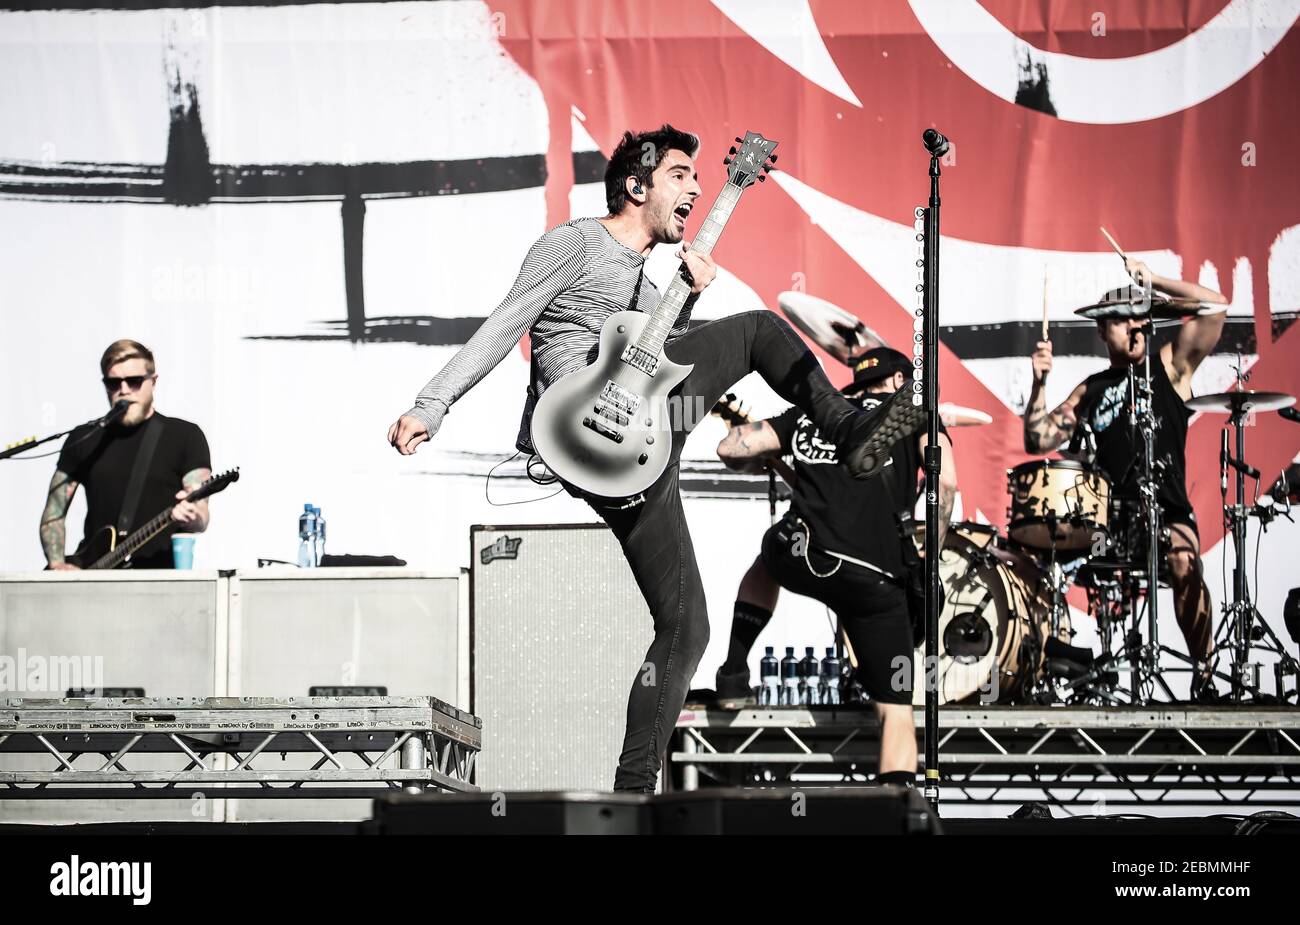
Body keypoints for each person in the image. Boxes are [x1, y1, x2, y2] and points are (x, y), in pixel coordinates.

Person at [388, 125, 926, 792]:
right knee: (759, 328)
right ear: (636, 185)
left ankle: (634, 789)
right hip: (585, 424)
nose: (697, 188)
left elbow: (664, 353)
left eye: (700, 178)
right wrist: (432, 403)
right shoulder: (575, 242)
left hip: (639, 459)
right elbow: (506, 321)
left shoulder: (648, 286)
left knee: (687, 626)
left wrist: (691, 294)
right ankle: (849, 428)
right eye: (679, 175)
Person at [714, 347, 958, 783]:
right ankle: (895, 816)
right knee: (897, 715)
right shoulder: (916, 411)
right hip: (879, 580)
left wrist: (768, 457)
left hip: (807, 555)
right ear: (901, 383)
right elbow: (948, 482)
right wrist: (930, 559)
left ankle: (734, 670)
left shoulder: (816, 413)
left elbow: (731, 446)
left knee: (768, 557)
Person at [1022, 259, 1227, 695]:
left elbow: (1215, 307)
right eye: (1120, 319)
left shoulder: (1170, 366)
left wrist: (1152, 282)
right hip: (1108, 525)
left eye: (1138, 315)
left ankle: (1204, 669)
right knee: (1044, 560)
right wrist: (1039, 383)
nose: (1133, 324)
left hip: (1167, 512)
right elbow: (1038, 440)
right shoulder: (1091, 389)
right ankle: (1060, 672)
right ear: (1102, 331)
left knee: (1183, 560)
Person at [41, 340, 211, 569]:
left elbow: (201, 516)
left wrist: (193, 517)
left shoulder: (184, 436)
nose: (123, 390)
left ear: (153, 382)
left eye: (134, 381)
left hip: (159, 581)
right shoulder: (85, 438)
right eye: (113, 383)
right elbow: (54, 512)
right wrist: (56, 564)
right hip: (95, 575)